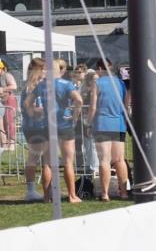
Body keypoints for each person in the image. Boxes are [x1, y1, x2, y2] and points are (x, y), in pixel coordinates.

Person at [89, 58, 129, 201]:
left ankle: (105, 193)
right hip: (118, 124)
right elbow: (126, 106)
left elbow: (93, 106)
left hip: (102, 124)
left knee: (104, 160)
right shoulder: (120, 83)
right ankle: (124, 192)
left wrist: (88, 123)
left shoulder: (97, 83)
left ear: (99, 69)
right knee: (119, 160)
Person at [52, 59, 84, 203]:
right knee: (68, 162)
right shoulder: (67, 84)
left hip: (49, 125)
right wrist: (75, 117)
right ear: (62, 70)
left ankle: (48, 196)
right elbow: (79, 101)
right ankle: (72, 195)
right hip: (64, 124)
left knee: (49, 162)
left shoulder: (42, 84)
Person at [20, 58, 52, 202]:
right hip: (40, 126)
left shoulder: (27, 86)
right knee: (45, 160)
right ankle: (45, 192)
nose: (46, 71)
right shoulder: (36, 86)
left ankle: (31, 191)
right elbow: (31, 108)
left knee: (34, 159)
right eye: (44, 68)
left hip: (30, 127)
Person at [0, 61, 18, 152]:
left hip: (9, 99)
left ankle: (12, 143)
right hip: (0, 101)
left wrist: (2, 89)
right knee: (2, 124)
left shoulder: (7, 75)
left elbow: (14, 86)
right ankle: (5, 143)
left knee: (10, 122)